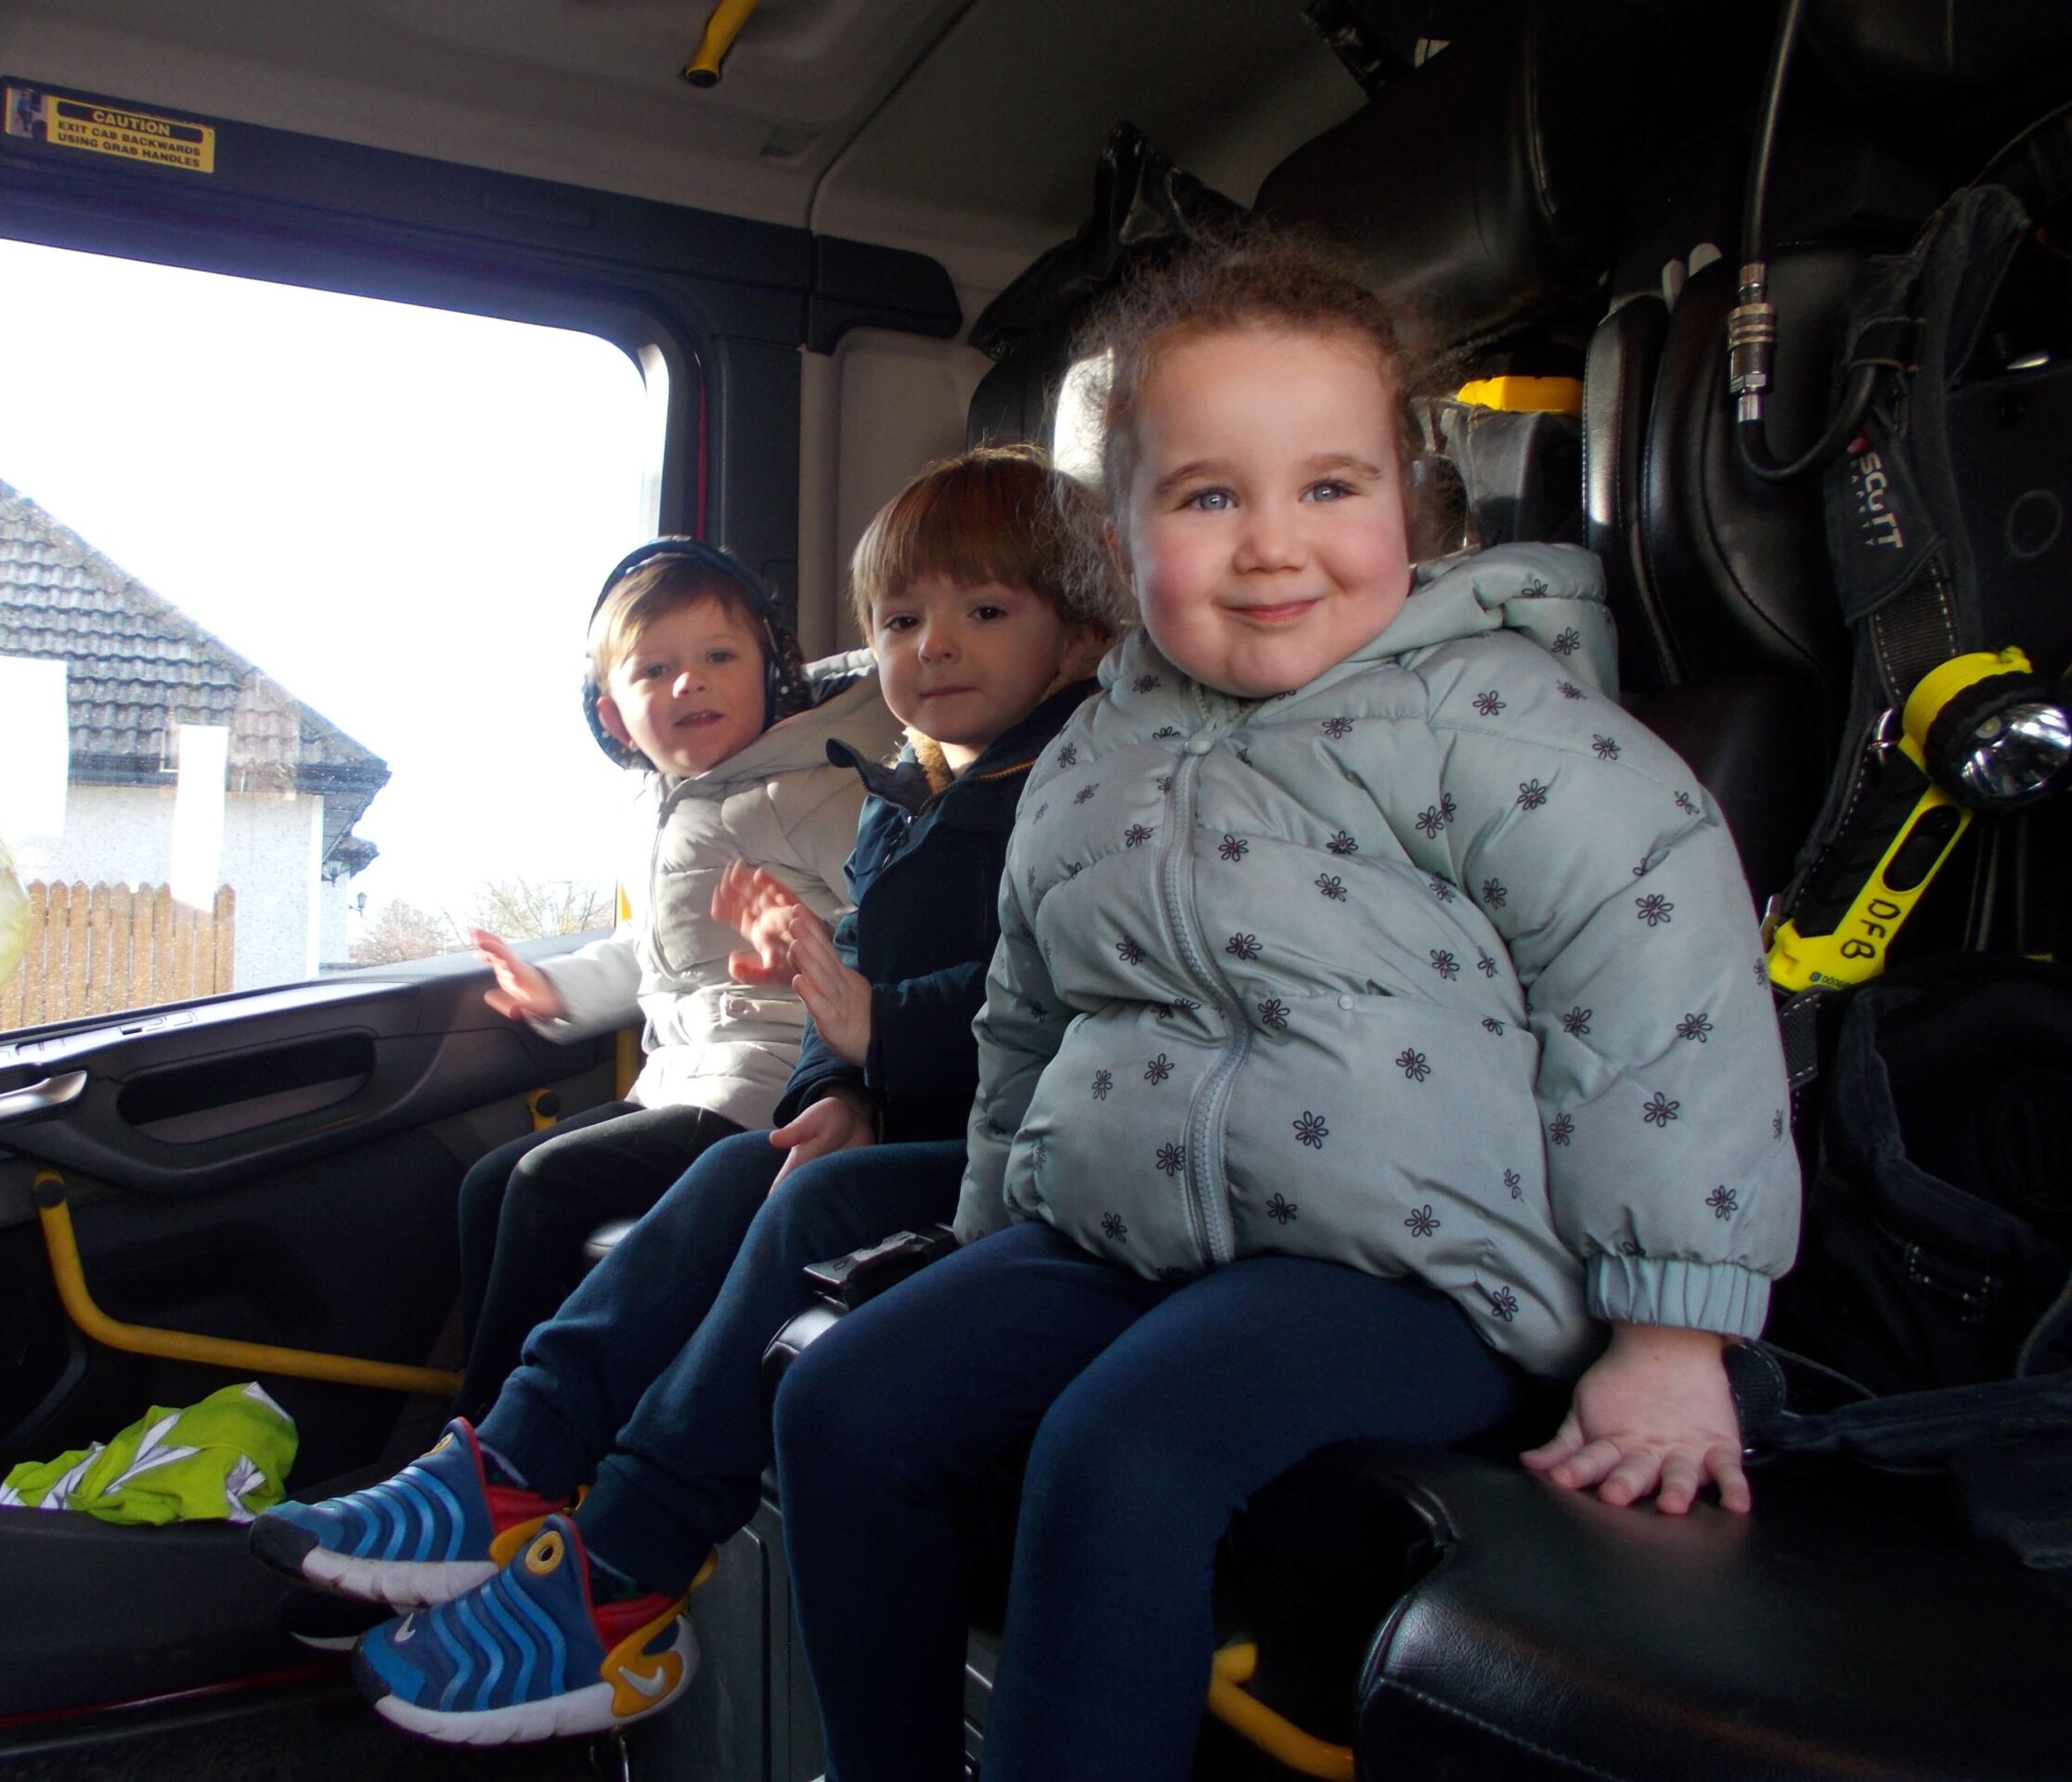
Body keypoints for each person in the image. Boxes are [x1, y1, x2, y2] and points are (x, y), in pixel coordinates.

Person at [772, 227, 1804, 1782]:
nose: (1273, 545)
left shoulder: (1500, 720)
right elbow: (1028, 1025)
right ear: (1120, 540)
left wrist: (1673, 1336)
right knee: (846, 1400)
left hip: (1414, 1263)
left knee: (1124, 1447)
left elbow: (1667, 1008)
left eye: (1331, 487)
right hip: (1123, 1233)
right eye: (1209, 498)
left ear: (1411, 500)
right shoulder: (1093, 755)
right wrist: (990, 1234)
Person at [250, 448, 1115, 1747]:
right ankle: (509, 1470)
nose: (934, 646)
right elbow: (854, 968)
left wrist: (871, 1035)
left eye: (985, 611)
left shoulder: (1075, 789)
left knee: (748, 1196)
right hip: (911, 1115)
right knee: (727, 1175)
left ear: (1081, 633)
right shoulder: (913, 794)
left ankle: (614, 1563)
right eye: (899, 621)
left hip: (1013, 1143)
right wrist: (843, 1081)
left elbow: (1045, 991)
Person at [442, 539, 899, 1408]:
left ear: (773, 676)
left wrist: (806, 945)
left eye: (719, 657)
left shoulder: (811, 790)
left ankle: (490, 1440)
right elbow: (652, 954)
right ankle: (486, 1416)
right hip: (677, 1085)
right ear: (613, 718)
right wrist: (558, 992)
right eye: (655, 670)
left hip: (765, 1091)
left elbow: (890, 931)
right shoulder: (662, 810)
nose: (690, 682)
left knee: (544, 1185)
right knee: (488, 1183)